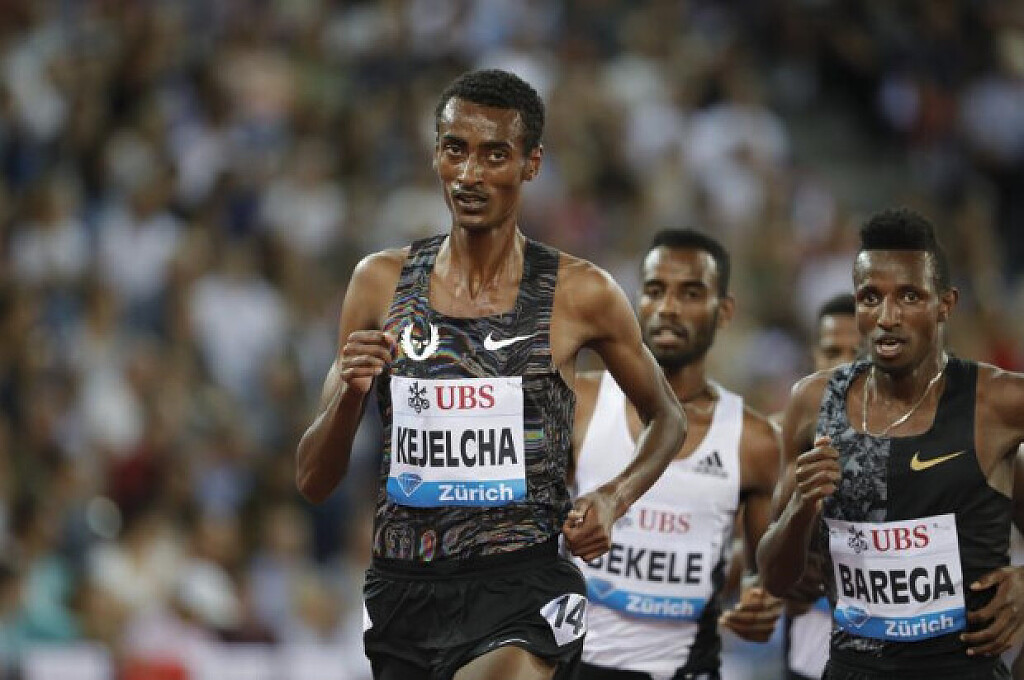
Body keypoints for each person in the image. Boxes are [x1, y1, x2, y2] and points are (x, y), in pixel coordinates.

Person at [295, 69, 687, 680]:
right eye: (455, 150)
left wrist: (614, 497)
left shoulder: (581, 293)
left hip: (525, 583)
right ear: (435, 155)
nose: (469, 174)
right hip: (405, 592)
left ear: (531, 164)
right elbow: (314, 481)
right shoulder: (379, 283)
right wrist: (349, 395)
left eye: (494, 155)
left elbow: (667, 417)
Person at [757, 208, 1024, 679]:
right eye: (871, 297)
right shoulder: (814, 402)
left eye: (909, 296)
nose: (887, 317)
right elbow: (776, 577)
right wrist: (801, 505)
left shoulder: (999, 401)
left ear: (945, 304)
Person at [571, 229, 781, 680]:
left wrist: (760, 598)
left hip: (686, 667)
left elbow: (762, 573)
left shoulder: (754, 441)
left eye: (690, 293)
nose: (668, 307)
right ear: (637, 302)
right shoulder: (580, 405)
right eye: (654, 290)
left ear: (724, 311)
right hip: (576, 663)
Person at [783, 293, 860, 680]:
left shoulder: (923, 442)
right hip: (809, 652)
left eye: (856, 353)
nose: (843, 366)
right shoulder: (780, 437)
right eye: (832, 352)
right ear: (814, 356)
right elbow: (750, 549)